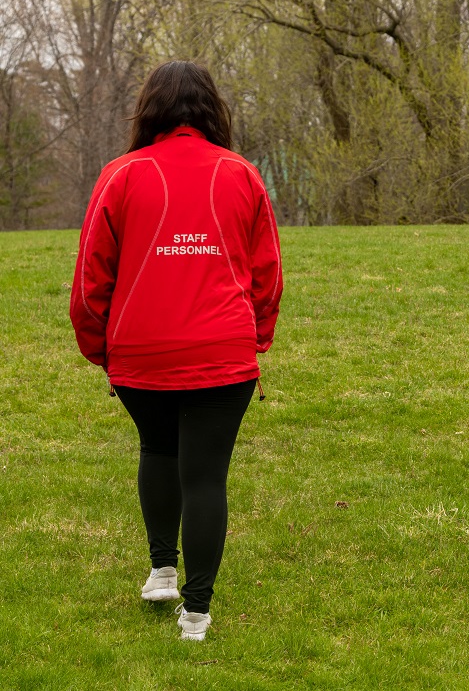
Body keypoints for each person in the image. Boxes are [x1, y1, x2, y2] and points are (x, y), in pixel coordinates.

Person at [70, 61, 283, 640]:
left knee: (158, 448)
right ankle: (196, 612)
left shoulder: (120, 175)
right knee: (206, 478)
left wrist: (104, 351)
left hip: (141, 355)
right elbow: (268, 275)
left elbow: (91, 281)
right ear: (213, 109)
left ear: (150, 110)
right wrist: (253, 338)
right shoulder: (241, 174)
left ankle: (164, 569)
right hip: (223, 352)